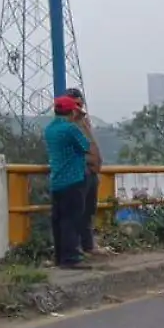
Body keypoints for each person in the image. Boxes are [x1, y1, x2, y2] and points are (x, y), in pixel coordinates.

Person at [45, 94, 91, 268]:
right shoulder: (70, 129)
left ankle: (59, 257)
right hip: (73, 180)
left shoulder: (49, 129)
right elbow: (86, 146)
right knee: (72, 220)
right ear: (72, 111)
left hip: (56, 181)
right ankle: (71, 258)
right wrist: (81, 123)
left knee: (58, 221)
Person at [65, 87, 102, 254]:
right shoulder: (65, 125)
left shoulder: (84, 123)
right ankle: (73, 247)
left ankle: (88, 246)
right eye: (75, 104)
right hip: (78, 172)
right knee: (75, 212)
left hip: (91, 172)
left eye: (80, 104)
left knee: (88, 211)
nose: (79, 108)